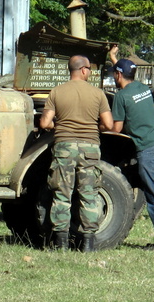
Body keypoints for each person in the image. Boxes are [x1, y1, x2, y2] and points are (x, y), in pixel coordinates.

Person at [38, 55, 113, 252]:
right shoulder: (98, 94)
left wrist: (60, 124)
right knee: (88, 194)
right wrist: (91, 127)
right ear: (83, 70)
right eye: (89, 69)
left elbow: (45, 123)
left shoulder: (57, 92)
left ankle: (61, 244)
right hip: (90, 148)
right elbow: (108, 124)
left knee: (62, 194)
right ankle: (88, 244)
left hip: (64, 147)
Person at [107, 47, 154, 250]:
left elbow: (116, 128)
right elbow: (123, 70)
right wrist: (113, 58)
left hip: (149, 152)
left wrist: (103, 125)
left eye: (114, 73)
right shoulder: (143, 89)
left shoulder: (121, 97)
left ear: (118, 75)